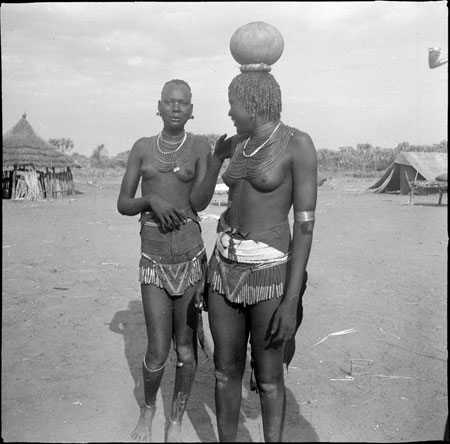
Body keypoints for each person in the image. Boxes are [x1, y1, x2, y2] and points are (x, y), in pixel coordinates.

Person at [192, 60, 317, 440]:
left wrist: (290, 301)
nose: (229, 112)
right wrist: (216, 158)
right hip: (224, 268)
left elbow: (306, 227)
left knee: (268, 379)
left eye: (233, 104)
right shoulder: (235, 145)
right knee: (224, 371)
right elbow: (199, 202)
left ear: (255, 103)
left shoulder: (297, 144)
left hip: (269, 275)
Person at [117, 79, 211, 442]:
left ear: (191, 110)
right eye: (169, 102)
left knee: (185, 348)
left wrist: (214, 162)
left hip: (190, 255)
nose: (176, 107)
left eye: (183, 102)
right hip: (153, 257)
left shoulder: (200, 148)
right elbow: (124, 203)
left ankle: (175, 418)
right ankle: (148, 409)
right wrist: (150, 201)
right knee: (157, 350)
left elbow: (200, 203)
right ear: (158, 106)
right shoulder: (142, 148)